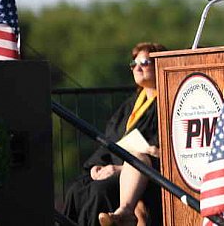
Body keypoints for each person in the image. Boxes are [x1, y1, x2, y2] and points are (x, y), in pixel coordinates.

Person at [63, 42, 166, 226]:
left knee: (100, 190)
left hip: (144, 173)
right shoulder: (130, 105)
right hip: (115, 167)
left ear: (160, 63)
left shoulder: (167, 103)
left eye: (145, 62)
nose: (138, 67)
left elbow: (157, 152)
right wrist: (97, 166)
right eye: (134, 64)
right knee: (77, 189)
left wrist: (117, 169)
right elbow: (109, 141)